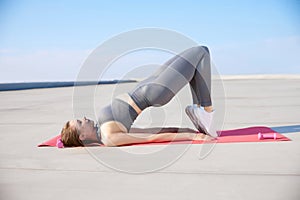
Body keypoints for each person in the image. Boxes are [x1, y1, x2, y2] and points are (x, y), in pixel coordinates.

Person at [60, 46, 216, 147]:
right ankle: (206, 111)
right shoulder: (109, 138)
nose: (84, 118)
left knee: (194, 57)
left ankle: (199, 109)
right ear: (82, 135)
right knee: (201, 52)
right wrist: (192, 137)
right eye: (80, 122)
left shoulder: (103, 129)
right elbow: (149, 138)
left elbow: (148, 131)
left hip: (148, 85)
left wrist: (180, 129)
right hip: (154, 92)